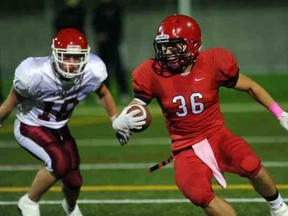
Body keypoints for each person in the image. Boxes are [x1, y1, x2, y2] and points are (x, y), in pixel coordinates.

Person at [112, 14, 288, 216]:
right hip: (184, 147)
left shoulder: (213, 63)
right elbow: (138, 105)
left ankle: (279, 208)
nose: (167, 52)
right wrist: (122, 120)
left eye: (174, 46)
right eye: (163, 46)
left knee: (250, 163)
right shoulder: (152, 72)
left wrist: (280, 114)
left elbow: (250, 86)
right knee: (196, 192)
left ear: (193, 45)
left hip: (217, 136)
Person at [0, 28, 130, 216]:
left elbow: (103, 92)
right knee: (58, 162)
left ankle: (69, 207)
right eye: (67, 56)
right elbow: (8, 104)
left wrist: (115, 119)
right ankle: (28, 201)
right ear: (55, 54)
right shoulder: (34, 74)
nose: (72, 63)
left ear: (86, 57)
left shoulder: (92, 71)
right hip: (30, 126)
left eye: (77, 58)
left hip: (59, 127)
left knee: (74, 180)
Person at [92, 0, 129, 103]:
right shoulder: (98, 9)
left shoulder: (115, 7)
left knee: (119, 68)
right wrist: (100, 35)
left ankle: (123, 92)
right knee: (103, 69)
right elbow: (95, 24)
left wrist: (110, 36)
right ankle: (104, 93)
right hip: (102, 45)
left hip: (116, 43)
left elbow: (118, 25)